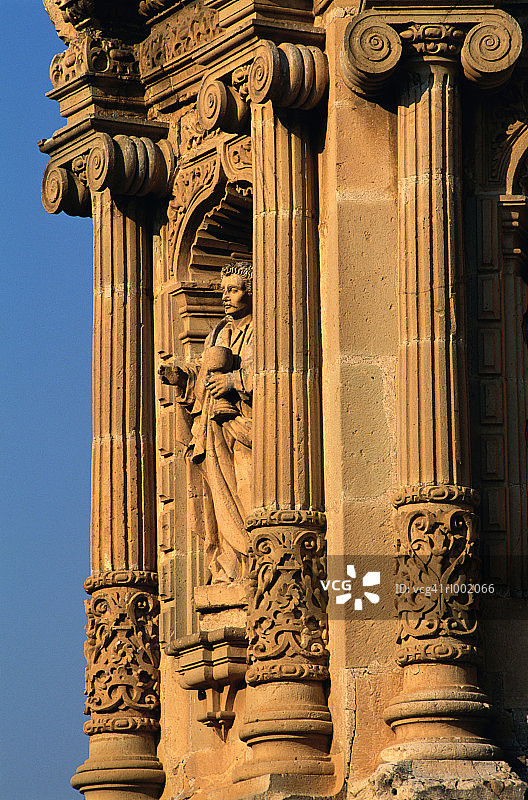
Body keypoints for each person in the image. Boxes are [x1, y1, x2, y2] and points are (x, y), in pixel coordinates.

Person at [159, 261, 253, 582]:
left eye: (235, 290)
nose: (227, 297)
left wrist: (233, 382)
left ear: (251, 293)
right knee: (218, 500)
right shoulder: (217, 333)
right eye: (224, 290)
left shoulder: (262, 330)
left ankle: (256, 558)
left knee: (247, 490)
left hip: (244, 428)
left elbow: (273, 372)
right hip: (213, 427)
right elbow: (202, 370)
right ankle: (230, 563)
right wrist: (182, 376)